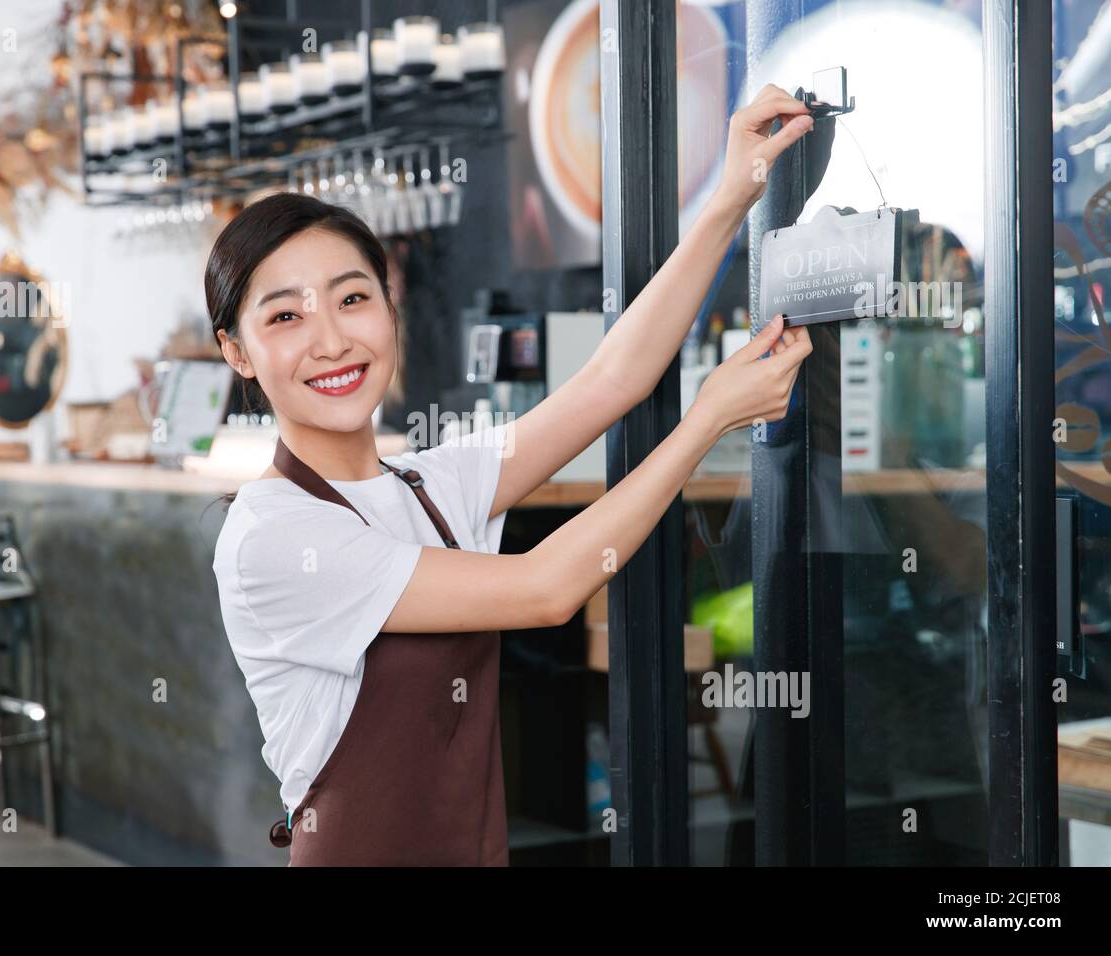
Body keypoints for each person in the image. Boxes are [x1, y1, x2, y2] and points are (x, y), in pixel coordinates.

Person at [208, 85, 815, 866]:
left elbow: (611, 379)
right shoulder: (273, 537)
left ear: (389, 310)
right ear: (238, 352)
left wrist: (734, 193)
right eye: (285, 316)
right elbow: (544, 588)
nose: (330, 340)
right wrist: (705, 422)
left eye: (352, 298)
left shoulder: (426, 487)